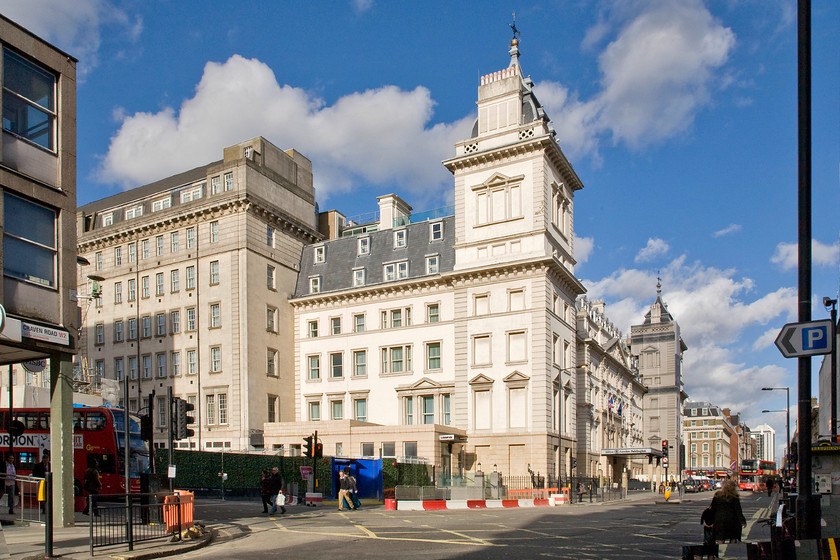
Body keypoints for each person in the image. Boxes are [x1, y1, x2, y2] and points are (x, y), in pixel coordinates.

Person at [709, 479, 746, 543]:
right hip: (732, 521)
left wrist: (711, 521)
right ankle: (731, 551)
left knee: (720, 538)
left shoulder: (717, 495)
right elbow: (738, 511)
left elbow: (713, 508)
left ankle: (720, 551)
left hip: (719, 520)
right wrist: (743, 521)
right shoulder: (734, 497)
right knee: (733, 537)